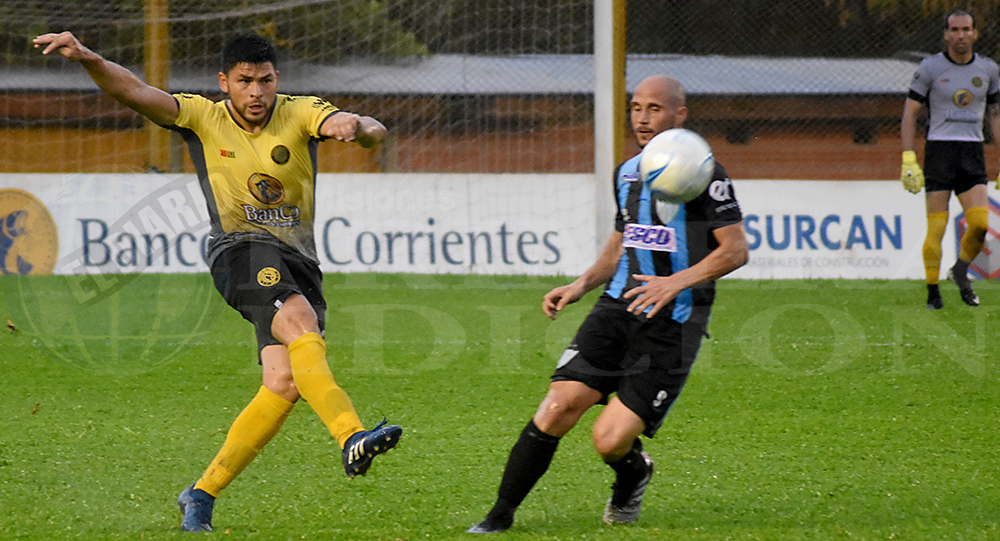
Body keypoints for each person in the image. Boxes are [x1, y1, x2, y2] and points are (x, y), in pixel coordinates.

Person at [33, 31, 402, 532]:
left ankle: (200, 493)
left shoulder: (300, 111)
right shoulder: (202, 116)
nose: (256, 93)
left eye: (266, 81)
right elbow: (134, 92)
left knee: (284, 382)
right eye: (245, 82)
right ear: (224, 82)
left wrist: (356, 126)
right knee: (299, 325)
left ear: (278, 81)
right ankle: (351, 434)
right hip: (240, 250)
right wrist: (90, 57)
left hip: (299, 261)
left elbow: (366, 128)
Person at [467, 75, 748, 533]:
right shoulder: (628, 172)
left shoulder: (703, 173)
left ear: (680, 116)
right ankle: (499, 516)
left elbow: (735, 250)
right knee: (558, 406)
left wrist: (672, 283)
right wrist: (579, 286)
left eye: (654, 108)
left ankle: (634, 472)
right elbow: (620, 246)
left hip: (672, 323)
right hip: (616, 309)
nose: (642, 118)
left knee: (609, 440)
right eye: (636, 107)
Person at [900, 9, 1000, 310]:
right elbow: (910, 113)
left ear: (974, 33)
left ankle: (959, 270)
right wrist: (908, 158)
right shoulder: (930, 68)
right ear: (946, 34)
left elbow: (995, 115)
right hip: (939, 153)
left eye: (966, 29)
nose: (960, 35)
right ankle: (933, 292)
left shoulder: (989, 70)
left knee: (981, 225)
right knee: (937, 229)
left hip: (972, 153)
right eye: (954, 30)